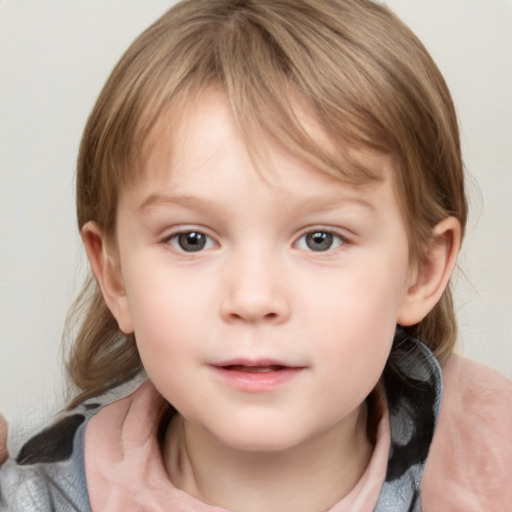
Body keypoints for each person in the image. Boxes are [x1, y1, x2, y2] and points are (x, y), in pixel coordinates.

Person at [1, 0, 511, 510]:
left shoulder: (494, 461)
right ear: (114, 275)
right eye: (191, 239)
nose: (252, 298)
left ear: (420, 270)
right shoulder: (44, 494)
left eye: (320, 239)